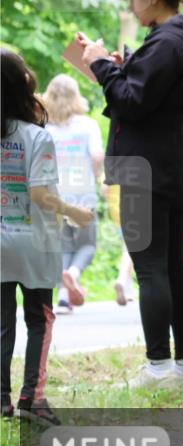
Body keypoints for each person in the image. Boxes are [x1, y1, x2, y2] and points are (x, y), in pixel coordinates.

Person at [80, 0, 183, 388]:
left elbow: (133, 101)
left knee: (151, 268)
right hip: (173, 165)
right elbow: (147, 93)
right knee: (173, 266)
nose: (128, 7)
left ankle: (159, 367)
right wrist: (119, 68)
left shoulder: (166, 43)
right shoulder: (181, 41)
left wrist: (101, 64)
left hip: (144, 168)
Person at [2, 49, 94, 424]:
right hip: (34, 243)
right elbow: (40, 195)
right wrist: (76, 213)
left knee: (2, 322)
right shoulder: (36, 137)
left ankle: (1, 401)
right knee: (39, 319)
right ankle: (32, 399)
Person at [40, 74, 104, 314]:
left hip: (55, 195)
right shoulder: (87, 125)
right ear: (76, 96)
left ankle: (64, 299)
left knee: (64, 246)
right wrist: (97, 174)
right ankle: (74, 273)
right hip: (83, 193)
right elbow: (97, 156)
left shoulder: (45, 128)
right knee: (87, 245)